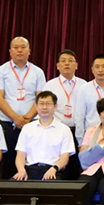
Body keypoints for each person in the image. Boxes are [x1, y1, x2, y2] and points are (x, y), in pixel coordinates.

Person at [0, 37, 46, 179]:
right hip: (8, 125)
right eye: (16, 47)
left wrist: (26, 119)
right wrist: (15, 118)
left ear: (29, 51)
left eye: (23, 47)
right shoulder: (1, 71)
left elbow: (41, 98)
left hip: (32, 124)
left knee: (31, 161)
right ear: (10, 51)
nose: (20, 50)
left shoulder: (38, 72)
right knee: (8, 162)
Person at [43, 49, 87, 179]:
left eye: (70, 61)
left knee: (76, 166)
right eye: (63, 61)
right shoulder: (50, 85)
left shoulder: (84, 85)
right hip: (58, 132)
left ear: (76, 65)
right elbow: (45, 109)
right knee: (60, 165)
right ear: (57, 65)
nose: (67, 63)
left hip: (79, 131)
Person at [13, 91, 76, 181]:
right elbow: (20, 154)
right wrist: (21, 170)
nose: (44, 107)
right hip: (29, 169)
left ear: (55, 106)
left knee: (52, 186)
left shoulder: (64, 130)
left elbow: (65, 158)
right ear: (36, 106)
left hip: (53, 170)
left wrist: (54, 169)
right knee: (11, 186)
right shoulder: (27, 128)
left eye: (48, 104)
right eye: (41, 104)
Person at [74, 54, 104, 145]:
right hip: (91, 137)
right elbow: (79, 117)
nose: (100, 70)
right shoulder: (84, 89)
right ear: (92, 70)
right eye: (97, 67)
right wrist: (81, 141)